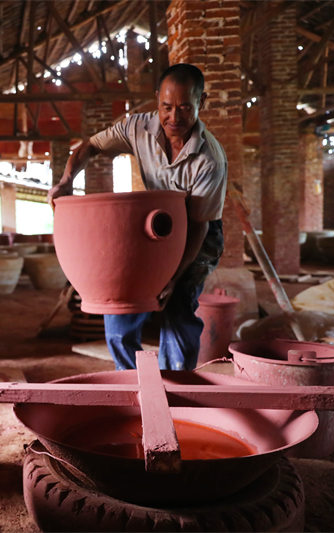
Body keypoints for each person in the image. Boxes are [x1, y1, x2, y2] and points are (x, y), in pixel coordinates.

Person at [48, 63, 227, 371]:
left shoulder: (209, 159)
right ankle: (135, 386)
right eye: (166, 107)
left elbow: (198, 224)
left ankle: (175, 391)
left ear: (202, 102)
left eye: (185, 108)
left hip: (197, 233)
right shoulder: (137, 128)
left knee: (177, 312)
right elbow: (90, 146)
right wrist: (66, 181)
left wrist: (172, 277)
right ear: (157, 99)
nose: (174, 118)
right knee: (120, 313)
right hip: (152, 227)